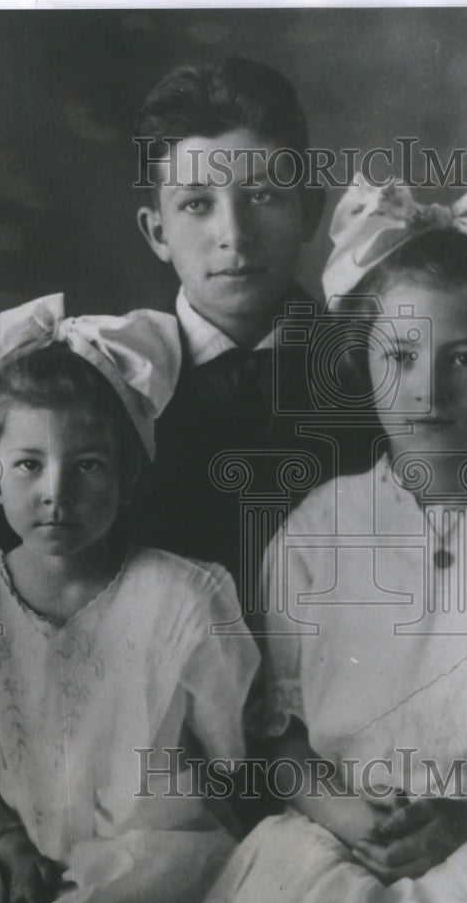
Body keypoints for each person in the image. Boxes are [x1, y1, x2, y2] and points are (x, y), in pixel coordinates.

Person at [203, 176, 467, 903]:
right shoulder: (317, 528)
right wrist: (349, 818)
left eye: (464, 360)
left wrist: (465, 822)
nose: (427, 392)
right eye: (399, 357)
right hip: (338, 831)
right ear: (363, 360)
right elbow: (279, 740)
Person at [0, 294, 260, 903]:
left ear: (128, 475)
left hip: (144, 851)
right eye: (29, 465)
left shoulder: (185, 598)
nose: (57, 492)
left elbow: (231, 759)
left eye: (88, 466)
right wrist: (9, 848)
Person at [130, 56, 367, 588]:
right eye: (196, 204)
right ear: (157, 233)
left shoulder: (372, 370)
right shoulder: (111, 375)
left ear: (308, 210)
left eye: (262, 196)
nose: (234, 234)